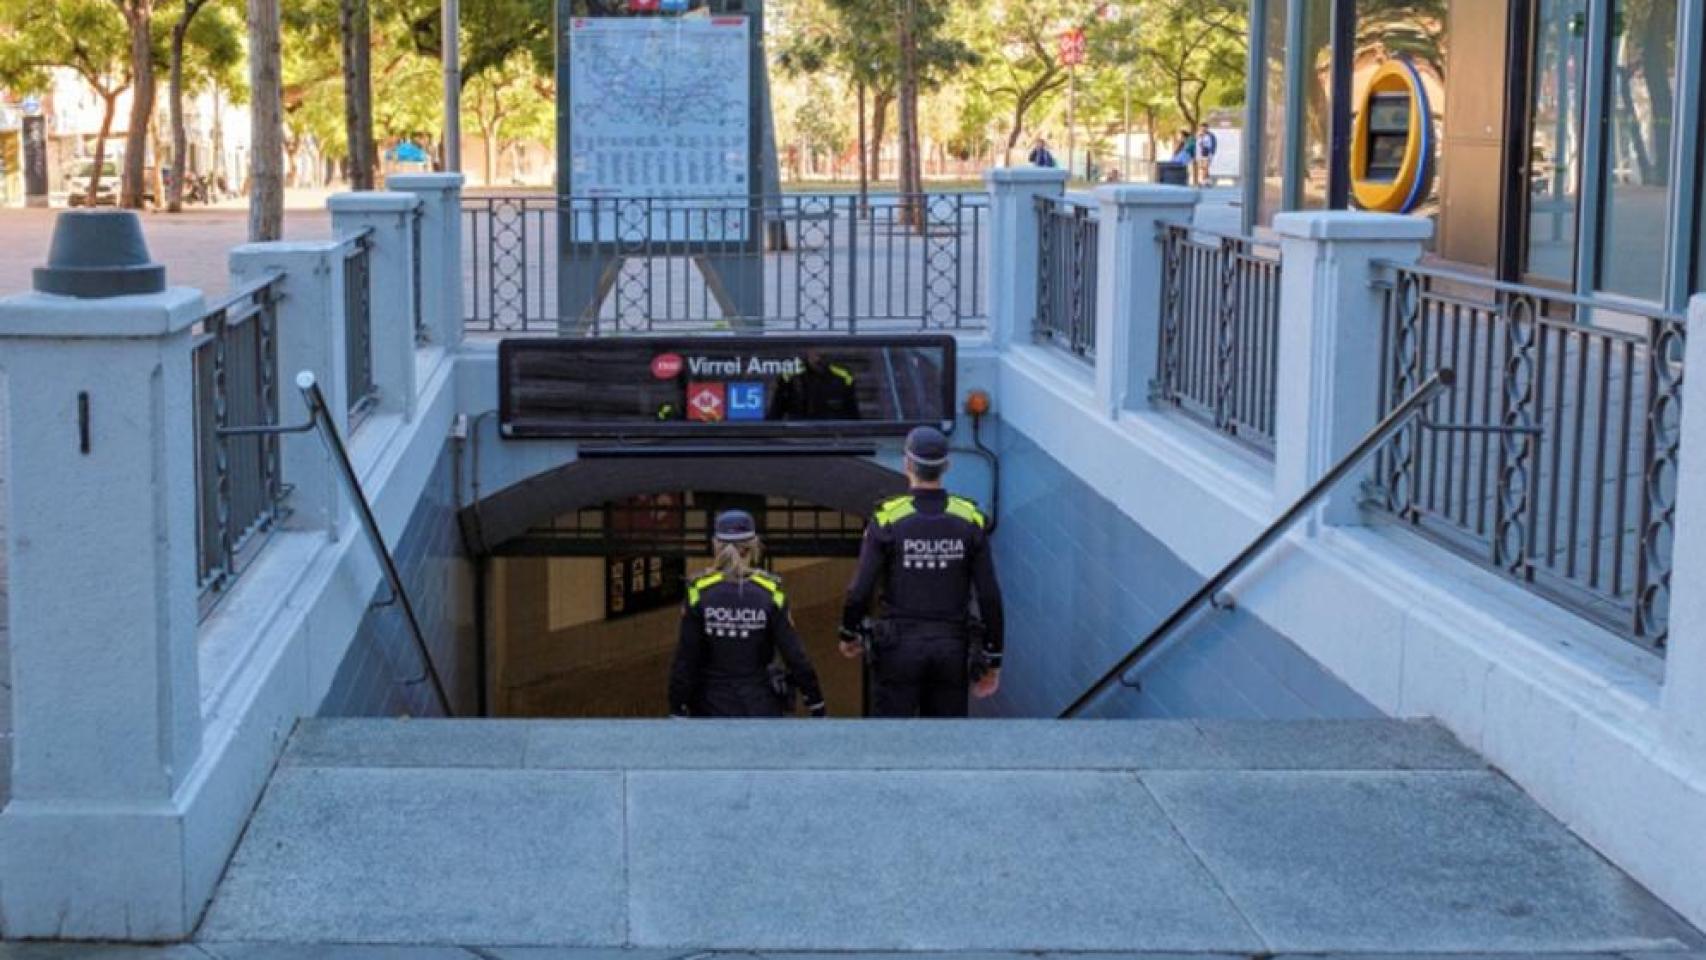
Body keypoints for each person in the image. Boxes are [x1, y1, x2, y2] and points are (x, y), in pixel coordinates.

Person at [840, 426, 1005, 718]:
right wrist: (993, 659)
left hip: (898, 647)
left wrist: (848, 632)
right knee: (944, 743)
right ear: (947, 466)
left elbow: (859, 589)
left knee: (891, 740)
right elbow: (989, 595)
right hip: (952, 648)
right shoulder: (969, 519)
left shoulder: (888, 519)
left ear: (907, 464)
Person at [668, 510, 827, 718]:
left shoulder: (699, 593)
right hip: (761, 707)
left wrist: (677, 706)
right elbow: (795, 656)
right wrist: (815, 702)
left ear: (716, 545)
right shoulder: (770, 592)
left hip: (710, 708)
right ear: (753, 547)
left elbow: (686, 658)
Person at [769, 349, 861, 421]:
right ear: (808, 351)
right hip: (799, 435)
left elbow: (852, 410)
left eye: (822, 352)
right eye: (816, 352)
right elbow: (776, 411)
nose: (820, 356)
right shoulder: (790, 375)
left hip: (832, 434)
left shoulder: (843, 375)